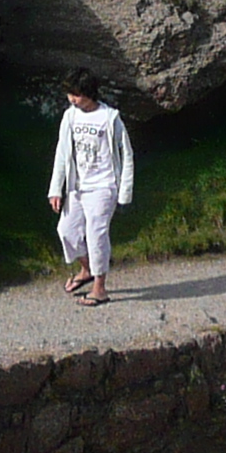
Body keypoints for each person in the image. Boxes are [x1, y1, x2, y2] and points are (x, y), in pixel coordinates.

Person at [46, 69, 134, 307]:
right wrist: (56, 189)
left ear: (90, 94)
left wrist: (124, 193)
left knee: (96, 234)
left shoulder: (110, 118)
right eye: (70, 94)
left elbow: (126, 155)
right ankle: (86, 270)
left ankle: (100, 289)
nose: (73, 99)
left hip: (103, 187)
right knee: (67, 231)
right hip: (77, 186)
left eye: (77, 95)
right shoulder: (70, 116)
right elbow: (62, 153)